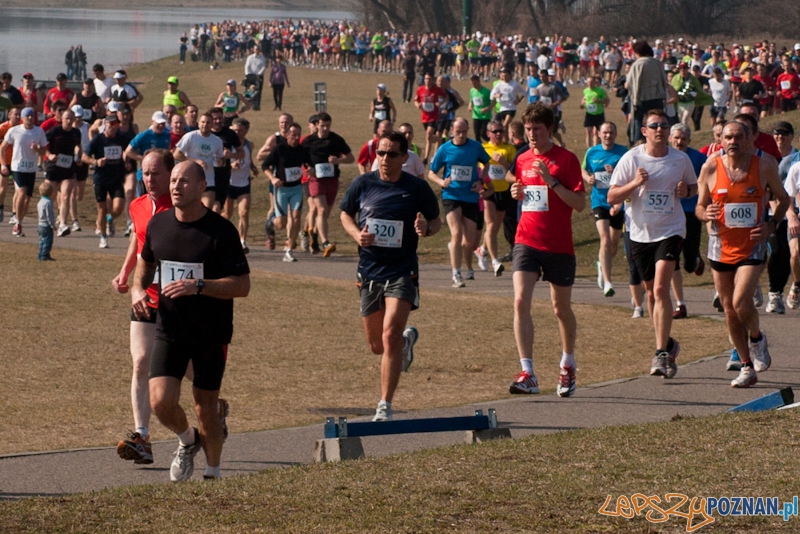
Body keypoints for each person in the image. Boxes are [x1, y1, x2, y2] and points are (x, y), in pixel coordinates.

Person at [131, 160, 250, 482]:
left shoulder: (221, 231)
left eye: (183, 181)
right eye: (173, 181)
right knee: (160, 402)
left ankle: (213, 474)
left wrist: (200, 286)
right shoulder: (159, 225)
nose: (175, 186)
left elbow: (242, 286)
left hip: (211, 333)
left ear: (201, 187)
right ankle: (187, 440)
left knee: (205, 407)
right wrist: (138, 290)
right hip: (170, 329)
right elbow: (144, 268)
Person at [340, 131, 441, 421]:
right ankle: (405, 345)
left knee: (390, 333)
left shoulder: (417, 188)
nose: (384, 159)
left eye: (391, 154)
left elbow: (435, 221)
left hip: (402, 270)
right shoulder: (363, 183)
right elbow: (345, 214)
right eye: (380, 153)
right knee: (377, 346)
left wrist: (426, 229)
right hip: (370, 270)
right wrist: (356, 234)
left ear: (404, 157)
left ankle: (384, 404)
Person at [695, 121, 790, 387]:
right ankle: (747, 366)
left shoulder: (765, 165)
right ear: (721, 140)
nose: (733, 141)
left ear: (750, 140)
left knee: (740, 301)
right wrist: (706, 214)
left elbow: (783, 199)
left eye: (738, 136)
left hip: (752, 244)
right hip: (720, 245)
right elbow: (700, 207)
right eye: (728, 137)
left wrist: (771, 224)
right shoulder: (711, 166)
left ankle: (757, 338)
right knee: (728, 309)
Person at [607, 109, 698, 378]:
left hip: (671, 230)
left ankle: (660, 353)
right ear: (644, 130)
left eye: (664, 125)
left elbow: (693, 187)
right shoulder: (631, 158)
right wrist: (635, 183)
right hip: (639, 233)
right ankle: (669, 344)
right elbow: (612, 195)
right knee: (650, 293)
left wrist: (686, 191)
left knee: (660, 288)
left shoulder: (680, 159)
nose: (660, 129)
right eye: (654, 125)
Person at [507, 103, 586, 397]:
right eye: (528, 129)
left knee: (560, 309)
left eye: (536, 129)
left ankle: (567, 363)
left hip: (558, 244)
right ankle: (528, 372)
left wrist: (551, 181)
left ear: (549, 129)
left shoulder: (566, 159)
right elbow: (523, 192)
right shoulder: (523, 159)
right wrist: (516, 192)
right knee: (519, 302)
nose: (531, 135)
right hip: (526, 240)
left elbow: (579, 204)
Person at [112, 150, 176, 465]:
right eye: (145, 173)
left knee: (189, 367)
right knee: (140, 362)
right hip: (144, 294)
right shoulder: (138, 205)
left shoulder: (180, 207)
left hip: (177, 297)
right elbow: (138, 242)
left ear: (171, 174)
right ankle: (142, 437)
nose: (150, 179)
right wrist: (125, 273)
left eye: (156, 173)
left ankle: (215, 407)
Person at [428, 117, 492, 287]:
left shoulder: (475, 147)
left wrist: (482, 180)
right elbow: (431, 173)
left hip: (470, 196)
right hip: (451, 195)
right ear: (452, 131)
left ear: (468, 130)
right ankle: (456, 274)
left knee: (469, 241)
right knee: (456, 233)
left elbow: (487, 163)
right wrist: (442, 182)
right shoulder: (445, 149)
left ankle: (468, 266)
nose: (461, 135)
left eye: (464, 131)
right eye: (458, 132)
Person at [668, 123, 707, 319]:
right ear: (670, 138)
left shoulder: (699, 158)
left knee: (689, 264)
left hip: (691, 212)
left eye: (683, 138)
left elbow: (708, 182)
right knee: (671, 258)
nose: (679, 142)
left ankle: (696, 259)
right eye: (676, 138)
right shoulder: (662, 156)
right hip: (668, 213)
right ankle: (680, 304)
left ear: (689, 141)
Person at [583, 121, 627, 297]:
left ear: (615, 134)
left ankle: (602, 265)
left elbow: (630, 175)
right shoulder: (592, 152)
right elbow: (583, 170)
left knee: (614, 243)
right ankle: (608, 282)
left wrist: (615, 171)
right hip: (599, 201)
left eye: (611, 133)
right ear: (598, 134)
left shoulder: (623, 152)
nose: (608, 135)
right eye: (605, 133)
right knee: (605, 239)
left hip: (617, 202)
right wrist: (588, 179)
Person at [301, 112, 354, 257]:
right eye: (323, 126)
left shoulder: (336, 139)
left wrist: (339, 161)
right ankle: (326, 242)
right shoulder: (308, 141)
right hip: (316, 180)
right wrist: (308, 170)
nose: (325, 129)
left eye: (328, 126)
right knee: (322, 210)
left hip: (332, 179)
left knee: (325, 214)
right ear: (316, 125)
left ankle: (315, 236)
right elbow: (299, 159)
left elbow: (351, 158)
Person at [263, 122, 312, 262]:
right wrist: (272, 178)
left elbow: (309, 164)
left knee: (296, 217)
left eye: (298, 135)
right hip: (281, 190)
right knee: (281, 224)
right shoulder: (280, 149)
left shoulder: (302, 149)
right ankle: (271, 221)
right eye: (293, 135)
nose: (296, 138)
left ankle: (289, 249)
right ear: (288, 135)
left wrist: (310, 170)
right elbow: (265, 165)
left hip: (296, 188)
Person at [82, 114, 127, 248]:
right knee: (101, 209)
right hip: (101, 179)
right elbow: (84, 157)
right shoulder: (98, 140)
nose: (113, 127)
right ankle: (103, 236)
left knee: (119, 207)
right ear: (104, 125)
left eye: (116, 124)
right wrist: (95, 161)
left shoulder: (121, 139)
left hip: (117, 178)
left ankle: (110, 219)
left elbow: (127, 151)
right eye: (110, 124)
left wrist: (127, 161)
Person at [479, 120, 516, 276]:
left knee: (495, 227)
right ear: (488, 134)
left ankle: (481, 249)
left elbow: (514, 171)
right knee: (492, 225)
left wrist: (504, 163)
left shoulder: (509, 149)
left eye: (501, 131)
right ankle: (495, 262)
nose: (499, 134)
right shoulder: (482, 148)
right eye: (495, 131)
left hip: (504, 191)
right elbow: (476, 167)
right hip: (488, 192)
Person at [173, 113, 224, 209]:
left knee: (207, 209)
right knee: (190, 209)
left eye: (208, 122)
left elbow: (220, 159)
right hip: (190, 179)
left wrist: (220, 162)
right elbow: (176, 155)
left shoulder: (217, 141)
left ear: (212, 124)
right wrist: (195, 161)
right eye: (203, 122)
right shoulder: (190, 136)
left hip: (208, 180)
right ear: (199, 124)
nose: (205, 124)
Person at [45, 107, 83, 237]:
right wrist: (48, 155)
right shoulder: (54, 131)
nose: (69, 121)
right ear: (61, 119)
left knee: (66, 195)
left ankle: (62, 224)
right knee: (52, 195)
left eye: (71, 118)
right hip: (54, 166)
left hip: (68, 167)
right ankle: (47, 221)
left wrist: (79, 154)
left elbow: (78, 145)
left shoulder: (76, 132)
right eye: (67, 118)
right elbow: (43, 145)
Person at [224, 117, 257, 253]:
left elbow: (248, 159)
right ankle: (221, 237)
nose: (237, 133)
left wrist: (253, 167)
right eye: (235, 130)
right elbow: (221, 162)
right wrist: (231, 165)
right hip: (229, 183)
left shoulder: (249, 145)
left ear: (246, 131)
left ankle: (242, 241)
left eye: (240, 131)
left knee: (244, 212)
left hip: (244, 183)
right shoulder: (227, 144)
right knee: (227, 214)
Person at [626, 41, 668, 145]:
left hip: (641, 100)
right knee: (659, 124)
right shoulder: (657, 63)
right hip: (657, 99)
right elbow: (664, 81)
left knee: (640, 126)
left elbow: (629, 84)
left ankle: (638, 147)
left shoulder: (637, 64)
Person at [414, 73, 446, 164]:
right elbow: (416, 100)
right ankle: (442, 140)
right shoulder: (420, 90)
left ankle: (425, 158)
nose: (427, 80)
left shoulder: (437, 90)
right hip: (424, 117)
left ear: (432, 80)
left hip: (434, 117)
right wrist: (418, 105)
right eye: (426, 79)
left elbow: (445, 97)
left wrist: (440, 103)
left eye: (429, 79)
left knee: (428, 135)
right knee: (429, 138)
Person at [581, 75, 609, 148]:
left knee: (597, 133)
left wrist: (599, 100)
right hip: (589, 114)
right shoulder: (585, 91)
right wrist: (582, 104)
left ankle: (595, 148)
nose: (589, 83)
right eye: (588, 82)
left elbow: (606, 101)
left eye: (591, 82)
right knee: (588, 132)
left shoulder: (600, 91)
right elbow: (583, 100)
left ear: (594, 82)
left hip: (599, 114)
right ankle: (589, 150)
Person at [468, 74, 493, 142]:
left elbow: (493, 103)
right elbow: (471, 101)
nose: (474, 85)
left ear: (479, 81)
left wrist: (487, 108)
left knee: (484, 134)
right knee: (476, 134)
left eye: (475, 83)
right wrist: (470, 106)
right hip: (476, 116)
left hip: (485, 116)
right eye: (472, 84)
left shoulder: (487, 91)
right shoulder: (472, 91)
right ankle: (479, 147)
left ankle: (491, 143)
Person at [37, 181, 56, 261]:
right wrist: (52, 225)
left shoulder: (40, 202)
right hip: (46, 225)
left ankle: (41, 254)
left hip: (40, 224)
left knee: (42, 240)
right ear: (51, 193)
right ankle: (44, 255)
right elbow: (49, 215)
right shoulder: (48, 202)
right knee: (48, 241)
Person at [244, 45, 267, 111]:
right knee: (249, 90)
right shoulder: (250, 57)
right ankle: (248, 104)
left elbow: (263, 67)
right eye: (256, 49)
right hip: (250, 75)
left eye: (258, 49)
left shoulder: (262, 58)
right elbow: (247, 66)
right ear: (253, 49)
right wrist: (247, 74)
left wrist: (259, 74)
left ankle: (256, 105)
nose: (257, 50)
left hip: (258, 76)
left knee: (258, 91)